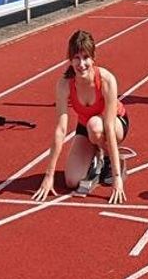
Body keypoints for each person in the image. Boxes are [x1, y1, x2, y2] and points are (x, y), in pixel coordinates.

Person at [33, 30, 129, 204]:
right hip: (86, 127)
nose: (81, 63)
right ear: (70, 59)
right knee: (71, 181)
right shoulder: (64, 85)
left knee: (95, 126)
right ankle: (95, 158)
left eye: (86, 57)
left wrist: (117, 178)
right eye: (76, 57)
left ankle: (110, 159)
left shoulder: (106, 80)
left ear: (93, 58)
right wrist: (49, 175)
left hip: (114, 124)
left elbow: (107, 125)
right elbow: (61, 130)